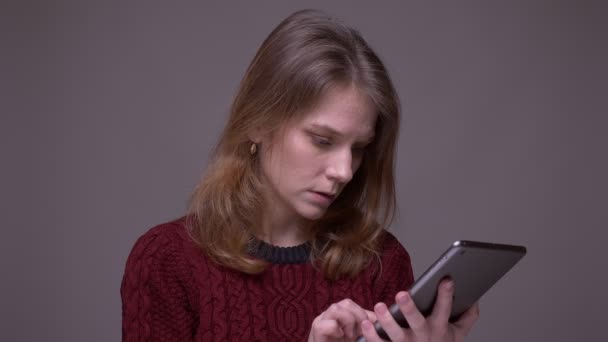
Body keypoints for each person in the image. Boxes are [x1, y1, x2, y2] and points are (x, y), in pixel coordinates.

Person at [121, 9, 479, 342]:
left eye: (358, 149)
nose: (343, 171)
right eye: (322, 140)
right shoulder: (167, 261)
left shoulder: (382, 263)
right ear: (259, 123)